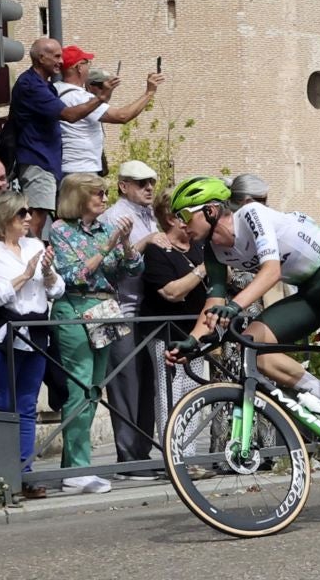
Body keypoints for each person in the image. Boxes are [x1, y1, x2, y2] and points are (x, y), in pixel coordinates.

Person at [167, 176, 320, 486]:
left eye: (186, 215)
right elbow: (213, 303)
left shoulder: (251, 215)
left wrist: (236, 305)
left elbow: (272, 271)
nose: (181, 224)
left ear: (212, 211)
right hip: (310, 289)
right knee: (255, 346)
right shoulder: (214, 252)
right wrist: (192, 340)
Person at [49, 171, 142, 492]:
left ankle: (74, 468)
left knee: (94, 388)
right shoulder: (61, 231)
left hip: (106, 308)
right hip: (75, 307)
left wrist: (126, 244)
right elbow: (75, 274)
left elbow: (131, 270)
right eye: (97, 194)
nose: (105, 199)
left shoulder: (106, 229)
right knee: (79, 386)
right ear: (79, 197)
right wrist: (108, 245)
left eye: (105, 193)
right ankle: (77, 468)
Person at [0, 190, 62, 495]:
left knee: (27, 404)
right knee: (1, 403)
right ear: (4, 217)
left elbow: (57, 290)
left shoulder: (35, 245)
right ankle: (0, 474)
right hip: (5, 334)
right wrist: (24, 276)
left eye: (28, 213)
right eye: (21, 213)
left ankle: (24, 472)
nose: (28, 218)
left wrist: (48, 272)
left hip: (36, 333)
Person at [97, 161, 165, 474]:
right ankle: (128, 455)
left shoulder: (149, 214)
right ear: (123, 185)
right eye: (140, 183)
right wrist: (146, 242)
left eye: (151, 182)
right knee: (125, 382)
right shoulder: (114, 216)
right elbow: (108, 262)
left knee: (147, 381)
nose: (148, 187)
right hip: (120, 308)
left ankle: (142, 452)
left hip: (148, 308)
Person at [8, 38, 110, 236]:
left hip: (48, 162)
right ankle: (31, 259)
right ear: (41, 57)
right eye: (56, 56)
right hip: (38, 160)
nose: (60, 62)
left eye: (61, 57)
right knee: (36, 219)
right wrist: (101, 98)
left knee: (48, 217)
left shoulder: (46, 86)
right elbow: (69, 115)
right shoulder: (31, 85)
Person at [140, 194, 208, 453]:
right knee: (170, 391)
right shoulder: (158, 249)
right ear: (170, 218)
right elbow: (171, 292)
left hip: (196, 331)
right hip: (165, 332)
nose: (191, 220)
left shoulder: (199, 245)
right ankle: (173, 453)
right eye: (185, 215)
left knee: (193, 390)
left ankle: (188, 453)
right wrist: (202, 270)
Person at [55, 47, 163, 176]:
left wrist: (106, 93)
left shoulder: (56, 89)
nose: (89, 67)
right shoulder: (79, 97)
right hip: (82, 169)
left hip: (67, 166)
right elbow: (122, 116)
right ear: (79, 67)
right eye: (87, 63)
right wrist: (149, 92)